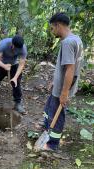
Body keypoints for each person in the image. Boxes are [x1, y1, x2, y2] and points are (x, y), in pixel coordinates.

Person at [40, 12, 84, 151]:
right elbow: (67, 68)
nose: (52, 32)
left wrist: (64, 92)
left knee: (56, 116)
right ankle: (46, 128)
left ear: (58, 25)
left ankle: (52, 144)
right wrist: (55, 82)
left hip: (63, 89)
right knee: (48, 110)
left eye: (52, 28)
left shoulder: (67, 42)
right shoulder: (76, 39)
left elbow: (70, 69)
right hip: (61, 86)